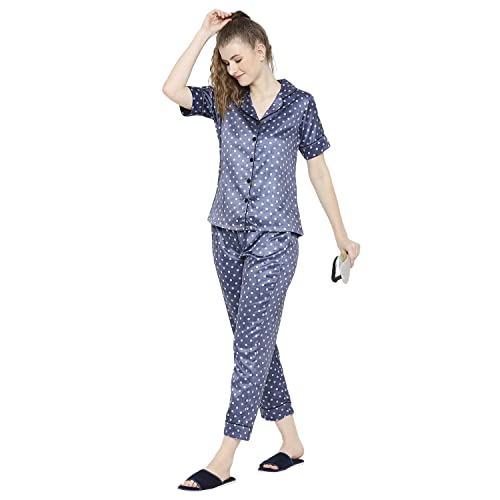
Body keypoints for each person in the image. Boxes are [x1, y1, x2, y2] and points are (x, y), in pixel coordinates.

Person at [162, 9, 361, 491]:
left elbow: (318, 170)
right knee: (255, 341)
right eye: (226, 63)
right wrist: (204, 33)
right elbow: (172, 88)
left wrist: (341, 235)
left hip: (275, 240)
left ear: (261, 49)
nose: (232, 69)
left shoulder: (300, 105)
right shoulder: (225, 101)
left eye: (237, 59)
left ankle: (224, 456)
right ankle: (291, 442)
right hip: (225, 235)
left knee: (250, 345)